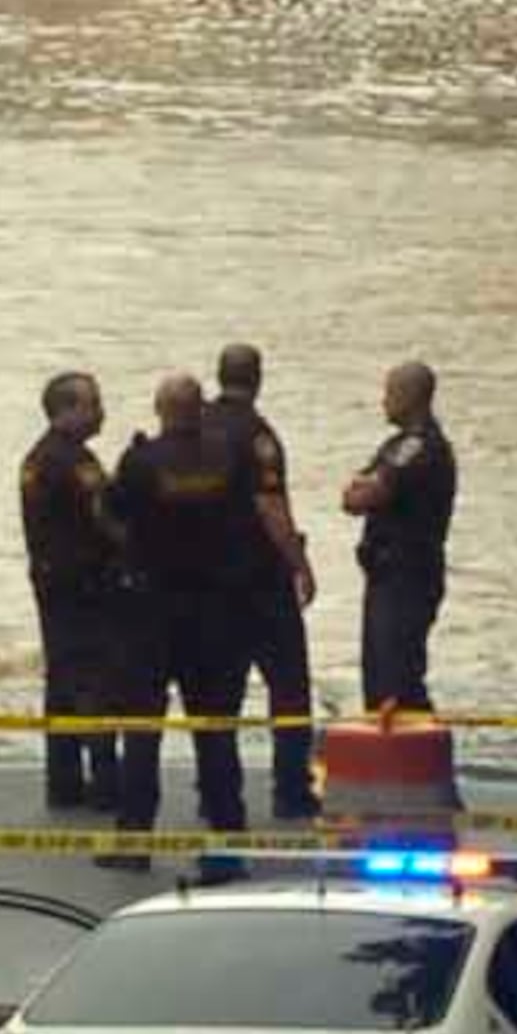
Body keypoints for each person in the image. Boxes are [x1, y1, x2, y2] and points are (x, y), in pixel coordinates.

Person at [112, 366, 315, 843]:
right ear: (198, 408)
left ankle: (133, 838)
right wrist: (296, 562)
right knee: (217, 731)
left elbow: (115, 518)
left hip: (154, 612)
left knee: (142, 729)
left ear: (161, 410)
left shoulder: (142, 462)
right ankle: (227, 836)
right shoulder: (231, 457)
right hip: (216, 613)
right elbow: (261, 509)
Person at [17, 370, 151, 830]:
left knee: (61, 682)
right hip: (87, 589)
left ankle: (63, 780)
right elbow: (106, 518)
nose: (100, 412)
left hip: (53, 586)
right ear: (66, 410)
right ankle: (105, 781)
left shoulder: (36, 458)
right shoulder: (76, 462)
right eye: (92, 404)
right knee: (95, 681)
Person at [215, 339, 322, 822]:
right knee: (289, 688)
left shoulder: (198, 426)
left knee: (219, 694)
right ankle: (291, 790)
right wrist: (299, 562)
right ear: (258, 378)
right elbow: (270, 507)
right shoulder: (258, 438)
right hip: (260, 582)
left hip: (211, 584)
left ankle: (216, 790)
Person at [340, 359, 458, 716]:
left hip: (407, 576)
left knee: (398, 682)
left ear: (411, 396)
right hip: (386, 574)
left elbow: (367, 495)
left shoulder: (419, 447)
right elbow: (351, 495)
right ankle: (385, 757)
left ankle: (416, 759)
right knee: (378, 679)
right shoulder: (395, 445)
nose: (383, 401)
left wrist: (368, 488)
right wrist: (365, 487)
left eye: (390, 392)